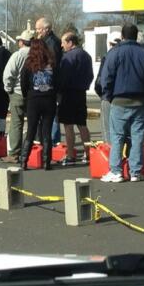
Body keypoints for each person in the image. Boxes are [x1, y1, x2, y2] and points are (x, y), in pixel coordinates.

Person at [97, 23, 144, 183]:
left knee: (117, 137)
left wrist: (108, 96)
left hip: (119, 100)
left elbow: (106, 78)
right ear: (136, 35)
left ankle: (116, 171)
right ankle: (136, 172)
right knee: (138, 137)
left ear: (123, 35)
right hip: (141, 101)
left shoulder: (115, 53)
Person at [20, 39, 59, 171]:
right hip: (49, 99)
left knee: (31, 131)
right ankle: (46, 162)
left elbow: (23, 83)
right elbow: (57, 81)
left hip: (33, 99)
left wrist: (27, 95)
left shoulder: (29, 64)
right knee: (46, 131)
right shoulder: (52, 64)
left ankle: (23, 161)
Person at [57, 31, 95, 166]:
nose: (61, 45)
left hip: (67, 94)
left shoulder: (67, 57)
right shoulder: (87, 56)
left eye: (63, 42)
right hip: (81, 93)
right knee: (82, 124)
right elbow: (90, 76)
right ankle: (88, 153)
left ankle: (70, 154)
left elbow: (63, 77)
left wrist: (59, 90)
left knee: (68, 125)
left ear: (70, 42)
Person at [2, 30, 33, 161]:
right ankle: (34, 151)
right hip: (34, 94)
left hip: (18, 92)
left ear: (21, 42)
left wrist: (9, 89)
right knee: (34, 123)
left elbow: (8, 75)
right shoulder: (38, 55)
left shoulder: (18, 55)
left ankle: (14, 153)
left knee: (16, 123)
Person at [35, 17, 63, 145]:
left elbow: (52, 65)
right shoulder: (48, 41)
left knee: (52, 117)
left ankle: (52, 143)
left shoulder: (51, 43)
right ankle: (50, 143)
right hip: (50, 84)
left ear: (47, 29)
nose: (37, 32)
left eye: (39, 29)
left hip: (51, 85)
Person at [94, 36, 120, 144]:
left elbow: (102, 79)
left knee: (107, 129)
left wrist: (103, 94)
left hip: (109, 96)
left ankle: (109, 153)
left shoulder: (108, 57)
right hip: (124, 96)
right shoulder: (132, 55)